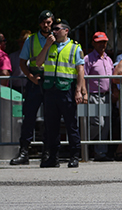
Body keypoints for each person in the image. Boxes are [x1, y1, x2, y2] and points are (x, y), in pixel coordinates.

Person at [36, 19, 86, 168]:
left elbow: (80, 70)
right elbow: (38, 62)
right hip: (50, 90)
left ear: (66, 31)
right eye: (53, 29)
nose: (54, 31)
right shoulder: (49, 46)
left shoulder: (74, 47)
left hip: (67, 90)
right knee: (51, 126)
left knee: (71, 125)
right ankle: (53, 157)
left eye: (57, 29)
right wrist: (46, 45)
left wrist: (79, 90)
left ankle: (74, 156)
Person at [10, 10, 54, 165]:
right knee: (29, 117)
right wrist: (31, 77)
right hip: (35, 80)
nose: (46, 25)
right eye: (43, 22)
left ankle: (47, 152)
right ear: (39, 23)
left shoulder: (57, 39)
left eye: (49, 22)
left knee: (49, 119)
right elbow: (23, 62)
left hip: (51, 81)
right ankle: (24, 152)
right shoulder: (32, 39)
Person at [83, 31, 114, 161]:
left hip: (106, 95)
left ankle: (100, 153)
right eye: (99, 42)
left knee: (105, 126)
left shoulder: (108, 59)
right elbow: (83, 77)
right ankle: (82, 141)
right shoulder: (88, 59)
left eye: (104, 42)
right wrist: (83, 92)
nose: (102, 45)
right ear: (93, 43)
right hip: (93, 95)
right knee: (97, 123)